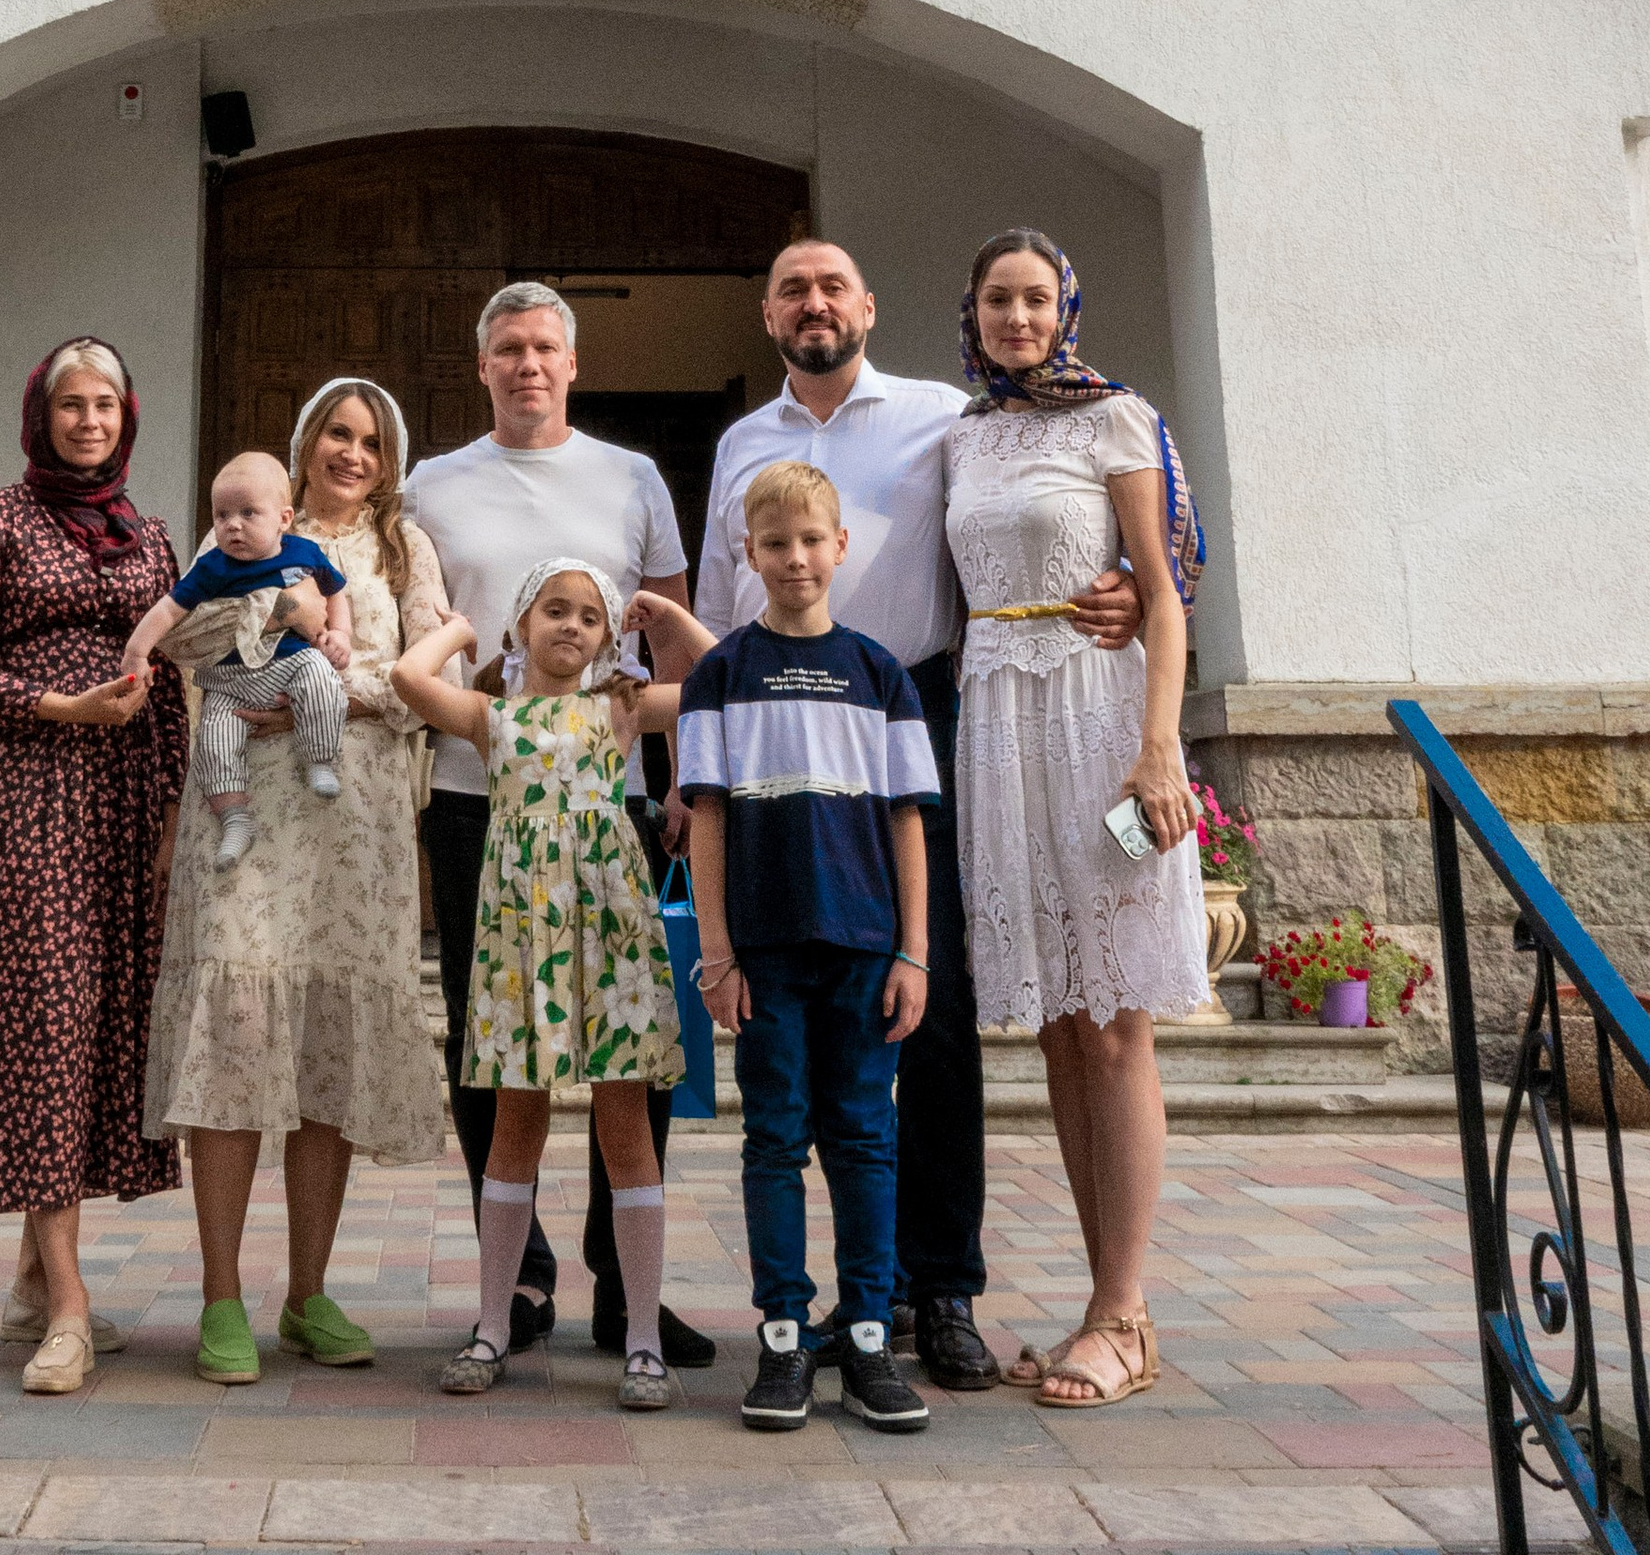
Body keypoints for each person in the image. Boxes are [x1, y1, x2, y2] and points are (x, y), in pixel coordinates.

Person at [695, 237, 1140, 1392]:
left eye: (832, 283)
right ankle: (827, 1304)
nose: (813, 302)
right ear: (766, 310)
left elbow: (1034, 511)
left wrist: (1132, 579)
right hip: (777, 738)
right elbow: (710, 607)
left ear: (868, 303)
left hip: (918, 711)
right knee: (802, 1009)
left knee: (924, 1010)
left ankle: (935, 1288)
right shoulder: (742, 444)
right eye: (791, 285)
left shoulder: (945, 416)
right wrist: (696, 770)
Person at [406, 278, 710, 1365]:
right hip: (471, 788)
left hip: (605, 801)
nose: (526, 363)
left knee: (625, 1055)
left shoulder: (630, 474)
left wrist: (683, 780)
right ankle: (517, 1278)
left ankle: (625, 1286)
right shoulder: (431, 482)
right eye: (506, 348)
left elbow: (674, 650)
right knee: (490, 1042)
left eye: (543, 346)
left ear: (571, 362)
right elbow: (410, 623)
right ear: (481, 363)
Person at [144, 376, 452, 1384]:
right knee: (233, 1034)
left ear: (387, 456)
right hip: (244, 817)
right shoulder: (245, 525)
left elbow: (428, 674)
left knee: (326, 1050)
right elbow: (184, 642)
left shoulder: (404, 550)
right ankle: (220, 1293)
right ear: (303, 444)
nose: (350, 451)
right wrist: (260, 643)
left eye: (369, 438)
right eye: (335, 432)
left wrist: (332, 687)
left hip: (352, 833)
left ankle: (308, 1289)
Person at [947, 226, 1207, 1411]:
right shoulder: (964, 434)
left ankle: (1125, 1309)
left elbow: (1159, 593)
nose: (1017, 316)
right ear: (975, 309)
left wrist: (1157, 750)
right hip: (998, 726)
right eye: (998, 298)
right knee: (1056, 1024)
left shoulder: (1114, 416)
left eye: (1035, 297)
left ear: (1066, 306)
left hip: (1099, 726)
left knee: (1112, 1021)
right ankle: (1102, 1305)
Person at [0, 335, 189, 1398]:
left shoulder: (150, 532)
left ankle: (35, 1277)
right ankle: (68, 1302)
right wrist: (62, 706)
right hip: (30, 794)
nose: (88, 419)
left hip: (125, 802)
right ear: (41, 414)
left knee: (96, 1022)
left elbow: (166, 681)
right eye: (69, 403)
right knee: (45, 1021)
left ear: (127, 415)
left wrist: (168, 816)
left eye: (105, 402)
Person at [665, 460, 937, 1441]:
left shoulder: (882, 673)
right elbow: (705, 817)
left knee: (864, 1136)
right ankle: (783, 1332)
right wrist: (717, 951)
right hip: (765, 950)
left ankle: (863, 1332)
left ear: (839, 547)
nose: (793, 557)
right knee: (774, 1136)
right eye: (774, 542)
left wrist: (914, 950)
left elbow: (907, 820)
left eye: (809, 539)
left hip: (866, 944)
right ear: (749, 552)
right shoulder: (720, 673)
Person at [394, 559, 685, 1411]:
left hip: (612, 937)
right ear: (523, 624)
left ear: (608, 636)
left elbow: (721, 681)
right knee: (514, 1127)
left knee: (624, 1125)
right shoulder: (490, 715)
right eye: (553, 610)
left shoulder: (622, 707)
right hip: (524, 943)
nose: (571, 626)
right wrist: (459, 632)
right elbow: (411, 678)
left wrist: (662, 618)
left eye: (590, 616)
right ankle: (492, 1324)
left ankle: (641, 1338)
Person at [122, 449, 353, 869]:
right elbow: (167, 612)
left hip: (288, 664)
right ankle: (234, 818)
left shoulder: (304, 553)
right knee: (213, 742)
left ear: (283, 519)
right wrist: (137, 650)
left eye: (249, 513)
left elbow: (336, 592)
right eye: (222, 514)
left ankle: (320, 758)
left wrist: (340, 634)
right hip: (228, 679)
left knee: (321, 676)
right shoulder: (213, 567)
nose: (233, 525)